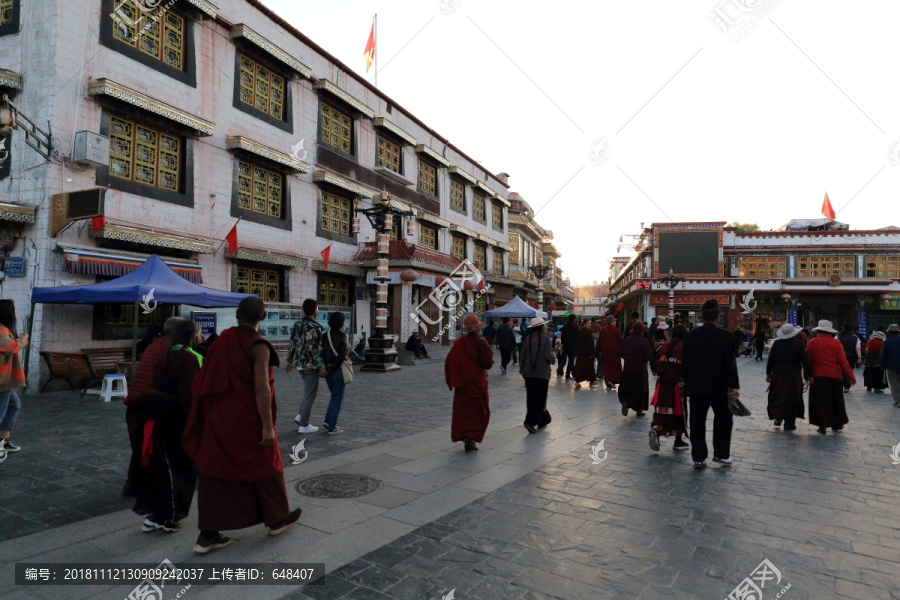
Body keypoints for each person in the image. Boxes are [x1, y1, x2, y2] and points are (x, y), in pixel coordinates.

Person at [183, 297, 301, 554]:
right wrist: (267, 427)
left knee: (214, 471)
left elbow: (206, 379)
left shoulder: (223, 340)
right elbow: (261, 388)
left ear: (237, 315)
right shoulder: (259, 346)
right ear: (264, 317)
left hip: (220, 418)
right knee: (268, 464)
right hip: (247, 419)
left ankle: (208, 535)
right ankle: (278, 518)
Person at [128, 318, 201, 533]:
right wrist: (194, 423)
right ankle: (170, 516)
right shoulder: (189, 358)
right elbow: (188, 394)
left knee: (158, 465)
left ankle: (157, 514)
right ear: (190, 336)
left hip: (148, 413)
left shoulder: (166, 354)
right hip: (171, 417)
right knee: (182, 466)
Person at [123, 317, 188, 498]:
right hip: (152, 406)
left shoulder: (155, 345)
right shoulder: (173, 350)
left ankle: (137, 485)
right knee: (163, 452)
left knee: (146, 450)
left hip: (138, 403)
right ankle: (165, 497)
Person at [681, 299, 740, 469]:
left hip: (697, 387)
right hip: (720, 387)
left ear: (702, 315)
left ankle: (699, 458)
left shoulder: (690, 336)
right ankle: (721, 455)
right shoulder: (727, 337)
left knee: (697, 422)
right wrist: (734, 386)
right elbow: (730, 364)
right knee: (723, 420)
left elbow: (685, 363)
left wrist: (686, 382)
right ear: (718, 316)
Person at [445, 314, 494, 452]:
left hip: (463, 383)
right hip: (477, 381)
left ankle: (466, 436)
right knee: (479, 411)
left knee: (464, 411)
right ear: (478, 329)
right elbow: (487, 364)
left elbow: (450, 360)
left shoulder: (460, 343)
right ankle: (472, 437)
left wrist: (454, 377)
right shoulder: (481, 342)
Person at [284, 299, 326, 434]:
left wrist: (290, 360)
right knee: (310, 395)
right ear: (314, 310)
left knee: (308, 392)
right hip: (310, 365)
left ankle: (300, 416)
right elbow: (315, 349)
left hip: (300, 364)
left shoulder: (298, 324)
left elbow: (293, 342)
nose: (318, 310)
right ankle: (304, 425)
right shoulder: (316, 327)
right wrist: (320, 366)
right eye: (317, 308)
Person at [806, 320, 855, 434]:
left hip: (817, 376)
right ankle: (836, 424)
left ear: (818, 330)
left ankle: (821, 424)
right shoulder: (836, 343)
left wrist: (807, 375)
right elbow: (843, 363)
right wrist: (851, 377)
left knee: (819, 401)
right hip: (834, 377)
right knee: (835, 401)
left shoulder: (812, 342)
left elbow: (808, 361)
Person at [649, 325, 689, 452]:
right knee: (678, 412)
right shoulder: (685, 347)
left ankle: (656, 430)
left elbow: (654, 363)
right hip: (678, 385)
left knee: (661, 410)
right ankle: (678, 440)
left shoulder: (664, 346)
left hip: (662, 384)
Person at [766, 324, 812, 431]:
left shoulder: (777, 344)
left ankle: (778, 416)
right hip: (793, 375)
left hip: (778, 374)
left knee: (778, 396)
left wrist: (768, 373)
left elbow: (771, 359)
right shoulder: (798, 344)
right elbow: (805, 361)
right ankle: (789, 423)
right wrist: (809, 375)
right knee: (793, 398)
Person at [519, 316, 555, 433]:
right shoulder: (547, 339)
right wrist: (554, 357)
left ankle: (540, 420)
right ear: (542, 327)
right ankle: (530, 422)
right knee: (540, 399)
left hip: (529, 373)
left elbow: (523, 355)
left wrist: (522, 369)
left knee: (531, 398)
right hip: (542, 373)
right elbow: (548, 356)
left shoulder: (528, 338)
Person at [0, 299, 27, 454]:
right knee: (2, 411)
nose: (16, 311)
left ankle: (4, 440)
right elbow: (11, 347)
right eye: (14, 309)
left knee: (13, 405)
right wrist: (23, 340)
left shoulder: (4, 330)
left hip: (5, 379)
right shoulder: (2, 330)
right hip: (2, 379)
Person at [321, 312, 349, 435]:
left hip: (327, 370)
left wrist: (326, 369)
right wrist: (332, 369)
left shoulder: (324, 336)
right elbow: (342, 355)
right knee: (337, 398)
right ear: (342, 323)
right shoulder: (343, 336)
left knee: (334, 396)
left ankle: (328, 420)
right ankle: (332, 426)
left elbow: (321, 353)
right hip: (337, 370)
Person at [618, 322, 653, 415]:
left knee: (627, 387)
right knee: (640, 390)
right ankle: (639, 410)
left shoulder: (626, 340)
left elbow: (621, 353)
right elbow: (649, 355)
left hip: (628, 368)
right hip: (640, 369)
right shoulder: (644, 341)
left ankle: (625, 401)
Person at [598, 315, 623, 390]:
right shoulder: (616, 330)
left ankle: (608, 382)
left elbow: (600, 341)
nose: (615, 322)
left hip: (605, 352)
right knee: (615, 367)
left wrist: (599, 351)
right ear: (611, 322)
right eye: (614, 321)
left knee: (606, 367)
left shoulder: (603, 330)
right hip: (614, 352)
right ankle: (612, 380)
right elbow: (620, 341)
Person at [573, 319, 598, 389]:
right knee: (589, 368)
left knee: (579, 368)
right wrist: (591, 353)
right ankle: (592, 380)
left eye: (590, 323)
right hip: (587, 354)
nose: (590, 325)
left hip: (580, 353)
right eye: (588, 323)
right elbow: (590, 344)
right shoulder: (588, 332)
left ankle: (577, 381)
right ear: (584, 324)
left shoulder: (580, 332)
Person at [838, 322, 862, 392]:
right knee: (849, 369)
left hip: (841, 356)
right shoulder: (855, 337)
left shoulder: (838, 336)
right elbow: (858, 348)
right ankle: (847, 386)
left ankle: (843, 384)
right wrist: (859, 357)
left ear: (843, 328)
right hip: (852, 356)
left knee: (841, 370)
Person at [881, 324, 900, 407]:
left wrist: (883, 365)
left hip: (891, 366)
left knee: (894, 384)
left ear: (889, 332)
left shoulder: (886, 342)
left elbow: (883, 355)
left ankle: (898, 401)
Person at [561, 315, 579, 379]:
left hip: (566, 345)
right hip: (573, 345)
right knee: (571, 360)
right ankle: (568, 374)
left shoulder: (565, 326)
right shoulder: (575, 327)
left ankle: (573, 373)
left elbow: (562, 336)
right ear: (574, 319)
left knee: (570, 360)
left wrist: (563, 344)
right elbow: (577, 337)